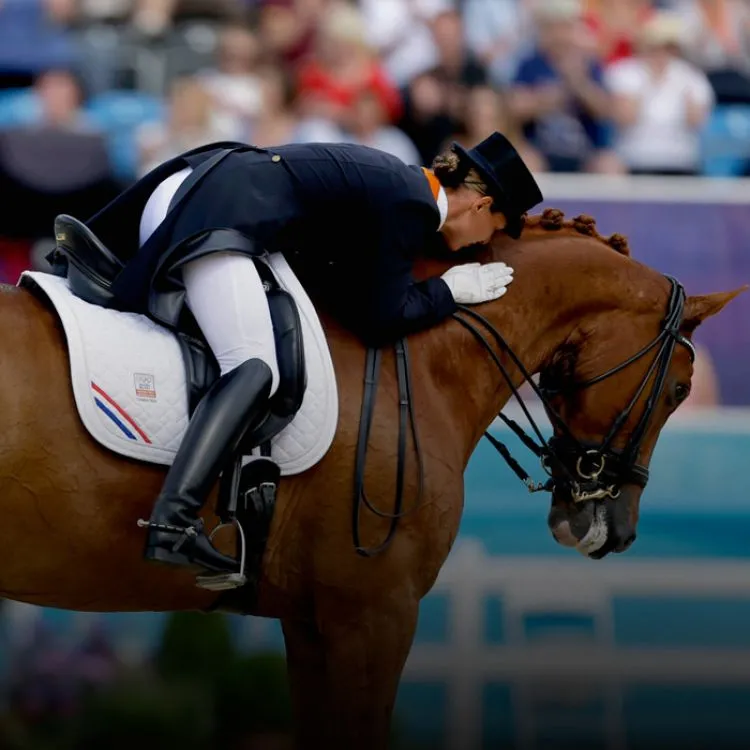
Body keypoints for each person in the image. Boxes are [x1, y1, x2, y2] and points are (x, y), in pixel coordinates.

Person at [80, 132, 543, 578]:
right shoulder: (411, 204)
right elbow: (380, 318)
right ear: (482, 205)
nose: (484, 242)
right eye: (494, 229)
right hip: (217, 209)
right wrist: (448, 289)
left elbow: (348, 291)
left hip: (205, 193)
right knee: (254, 366)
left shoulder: (404, 187)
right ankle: (173, 520)